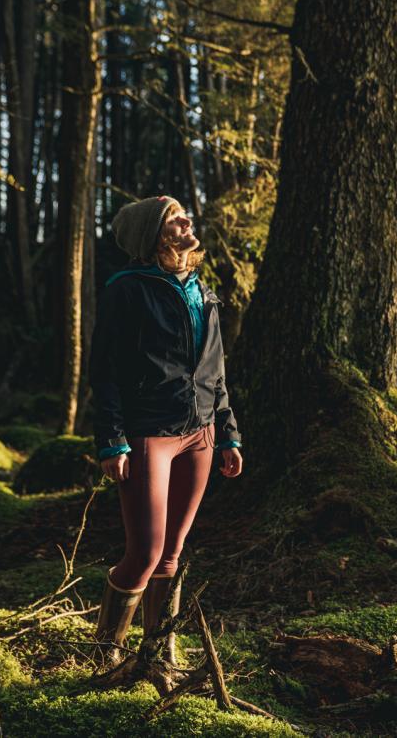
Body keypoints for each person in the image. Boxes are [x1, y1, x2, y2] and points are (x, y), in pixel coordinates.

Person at [89, 195, 243, 667]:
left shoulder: (202, 290)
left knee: (172, 553)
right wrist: (112, 439)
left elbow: (215, 372)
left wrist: (228, 432)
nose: (187, 221)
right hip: (147, 433)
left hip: (200, 433)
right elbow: (105, 370)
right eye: (175, 218)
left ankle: (157, 656)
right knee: (145, 552)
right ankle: (105, 654)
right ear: (154, 236)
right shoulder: (127, 289)